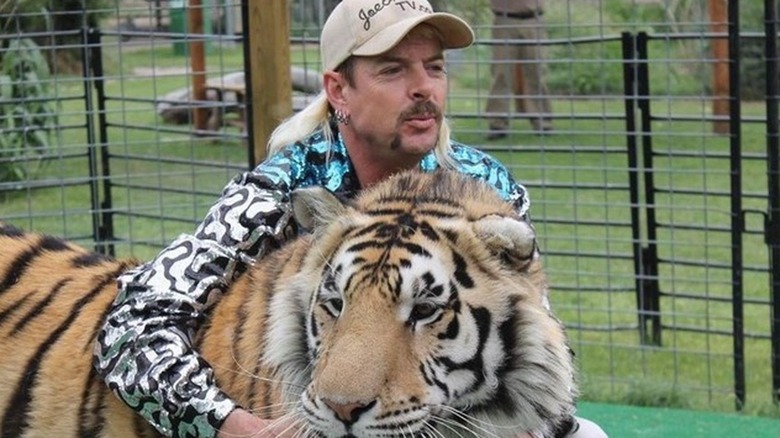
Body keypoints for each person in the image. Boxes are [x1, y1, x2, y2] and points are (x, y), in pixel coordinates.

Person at [93, 1, 606, 437]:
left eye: (434, 67)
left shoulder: (487, 189)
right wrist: (224, 423)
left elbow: (526, 342)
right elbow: (127, 327)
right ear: (338, 91)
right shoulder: (275, 192)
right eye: (393, 70)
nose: (423, 88)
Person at [485, 0, 553, 139]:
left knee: (536, 72)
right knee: (502, 73)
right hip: (504, 20)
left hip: (533, 19)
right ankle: (497, 123)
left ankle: (542, 122)